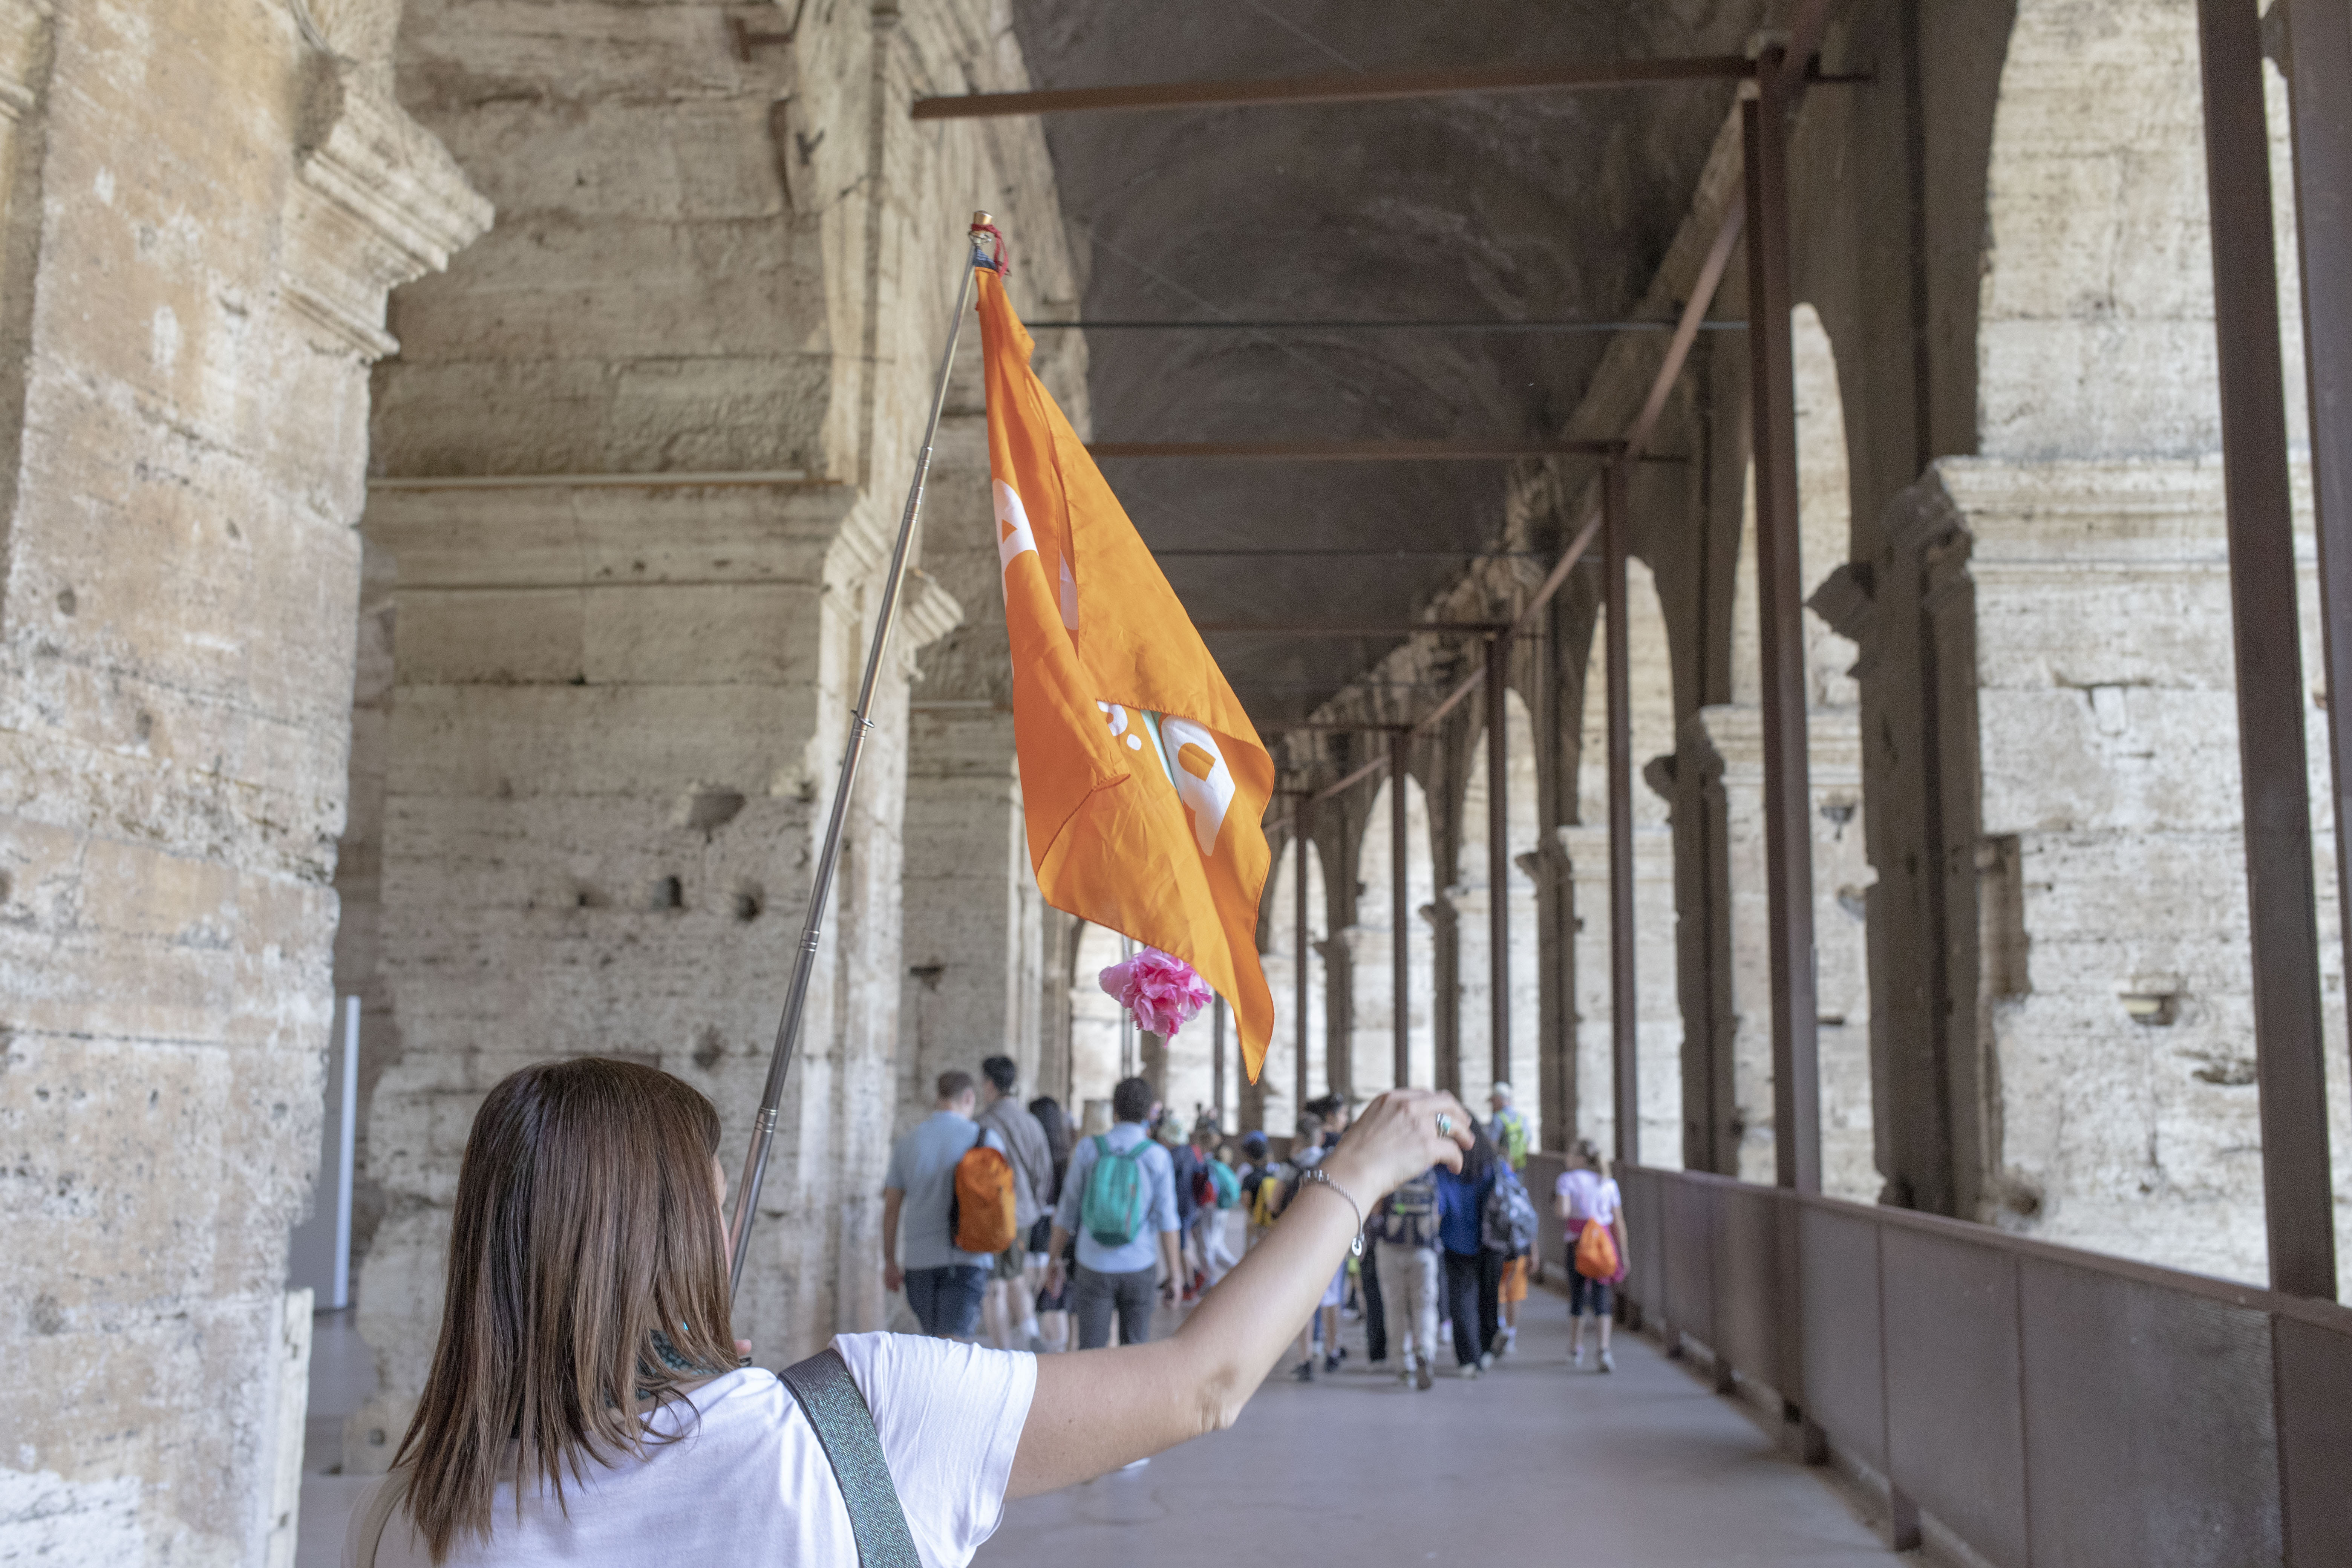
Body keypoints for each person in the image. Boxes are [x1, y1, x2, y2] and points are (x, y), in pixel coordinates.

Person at [348, 1055, 1473, 1566]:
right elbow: (1202, 1382)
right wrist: (1354, 1173)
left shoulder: (415, 1520)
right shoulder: (862, 1422)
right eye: (718, 1202)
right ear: (682, 1235)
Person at [1045, 1076, 1183, 1351]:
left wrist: (1053, 1259)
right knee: (1135, 1351)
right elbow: (1168, 1221)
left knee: (1092, 1350)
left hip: (1093, 1263)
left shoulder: (1088, 1149)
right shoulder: (1157, 1156)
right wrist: (1175, 1275)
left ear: (1115, 1110)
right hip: (1140, 1263)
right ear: (1149, 1114)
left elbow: (1067, 1211)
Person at [881, 1070, 1006, 1340]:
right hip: (969, 1257)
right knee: (954, 1345)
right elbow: (1002, 1206)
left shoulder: (908, 1143)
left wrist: (890, 1260)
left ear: (938, 1097)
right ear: (969, 1098)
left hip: (919, 1261)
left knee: (930, 1341)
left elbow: (891, 1209)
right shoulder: (986, 1140)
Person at [974, 1057, 1055, 1354]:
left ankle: (1003, 1351)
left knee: (994, 1286)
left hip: (991, 1217)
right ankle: (1031, 1332)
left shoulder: (981, 1124)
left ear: (990, 1084)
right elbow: (1044, 1172)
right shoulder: (1031, 1122)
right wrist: (1031, 1203)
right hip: (1022, 1217)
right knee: (1017, 1277)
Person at [1435, 1124, 1502, 1378]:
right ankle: (1486, 1349)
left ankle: (1468, 1358)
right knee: (1488, 1296)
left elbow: (1439, 1205)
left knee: (1462, 1299)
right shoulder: (1490, 1163)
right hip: (1491, 1239)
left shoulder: (1444, 1167)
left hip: (1456, 1238)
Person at [1556, 1137, 1629, 1372]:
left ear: (1580, 1159)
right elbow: (1618, 1221)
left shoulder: (1567, 1180)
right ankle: (1604, 1350)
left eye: (1570, 1153)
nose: (1567, 1158)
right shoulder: (1608, 1183)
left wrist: (1555, 1205)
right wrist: (1624, 1255)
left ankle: (1575, 1348)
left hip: (1578, 1245)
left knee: (1577, 1296)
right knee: (1602, 1296)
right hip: (1604, 1246)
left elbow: (1563, 1212)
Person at [1370, 1164, 1444, 1390]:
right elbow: (1438, 1215)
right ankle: (1424, 1349)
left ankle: (1404, 1367)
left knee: (1396, 1308)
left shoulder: (1391, 1172)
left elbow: (1376, 1210)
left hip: (1391, 1249)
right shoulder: (1430, 1175)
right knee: (1425, 1305)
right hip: (1423, 1251)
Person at [1484, 1081, 1534, 1358]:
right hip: (1519, 1180)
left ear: (1498, 1100)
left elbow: (1491, 1145)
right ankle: (1511, 1334)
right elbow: (1528, 1143)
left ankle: (1498, 1327)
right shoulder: (1523, 1119)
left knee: (1498, 1280)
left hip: (1498, 1214)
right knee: (1515, 1279)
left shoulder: (1498, 1120)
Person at [1027, 1095, 1075, 1352]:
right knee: (1054, 1294)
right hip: (1060, 1227)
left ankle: (1036, 1338)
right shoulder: (1068, 1154)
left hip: (1035, 1224)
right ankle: (1057, 1348)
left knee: (1033, 1289)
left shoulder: (1032, 1151)